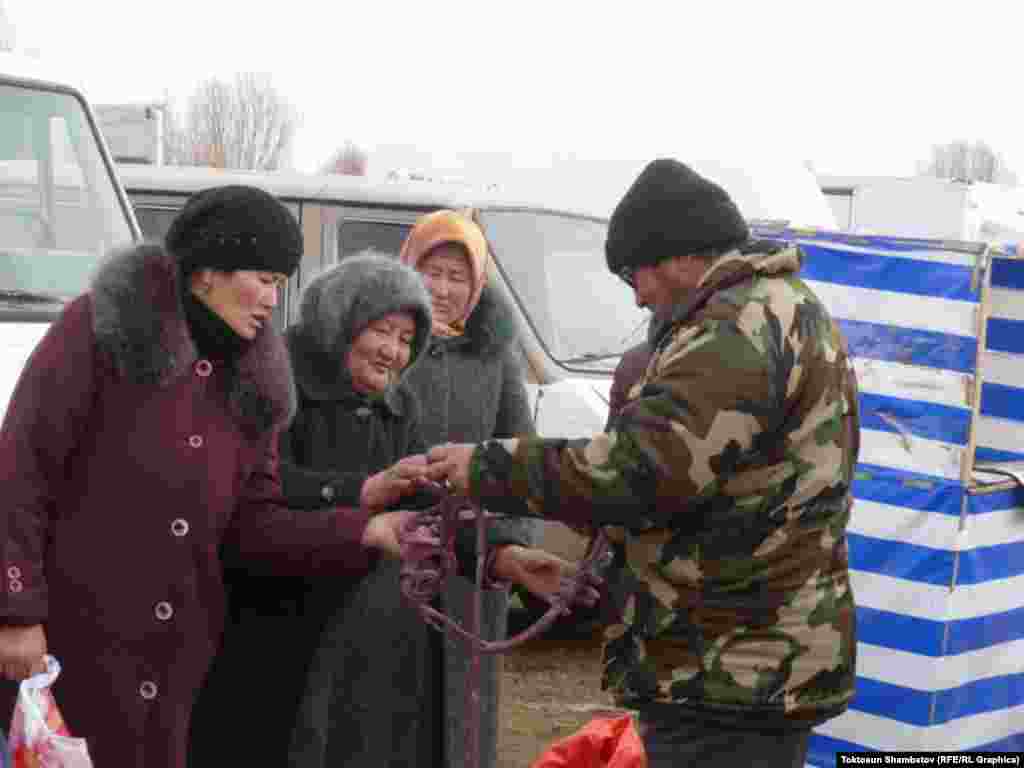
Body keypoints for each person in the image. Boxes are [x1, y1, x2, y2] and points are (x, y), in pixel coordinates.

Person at [426, 158, 861, 768]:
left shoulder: (736, 326)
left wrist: (483, 466)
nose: (635, 295)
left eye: (635, 274)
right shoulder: (786, 307)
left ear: (678, 256)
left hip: (729, 667)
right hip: (756, 656)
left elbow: (642, 471)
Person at [0, 186, 422, 768]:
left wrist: (362, 532)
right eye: (266, 278)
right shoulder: (97, 333)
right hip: (71, 643)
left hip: (176, 660)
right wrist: (17, 611)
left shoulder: (257, 385)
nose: (276, 300)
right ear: (206, 272)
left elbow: (255, 524)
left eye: (282, 282)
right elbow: (22, 468)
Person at [188, 251, 588, 768]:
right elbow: (254, 494)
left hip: (378, 648)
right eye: (382, 331)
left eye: (406, 340)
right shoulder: (273, 382)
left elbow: (429, 507)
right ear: (342, 320)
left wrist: (502, 557)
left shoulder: (398, 406)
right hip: (278, 638)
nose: (393, 353)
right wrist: (362, 493)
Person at [395, 209, 539, 768]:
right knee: (393, 704)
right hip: (396, 555)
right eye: (433, 271)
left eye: (458, 276)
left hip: (473, 562)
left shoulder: (495, 357)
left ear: (477, 285)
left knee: (465, 711)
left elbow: (518, 452)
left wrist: (509, 543)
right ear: (408, 268)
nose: (443, 288)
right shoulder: (387, 342)